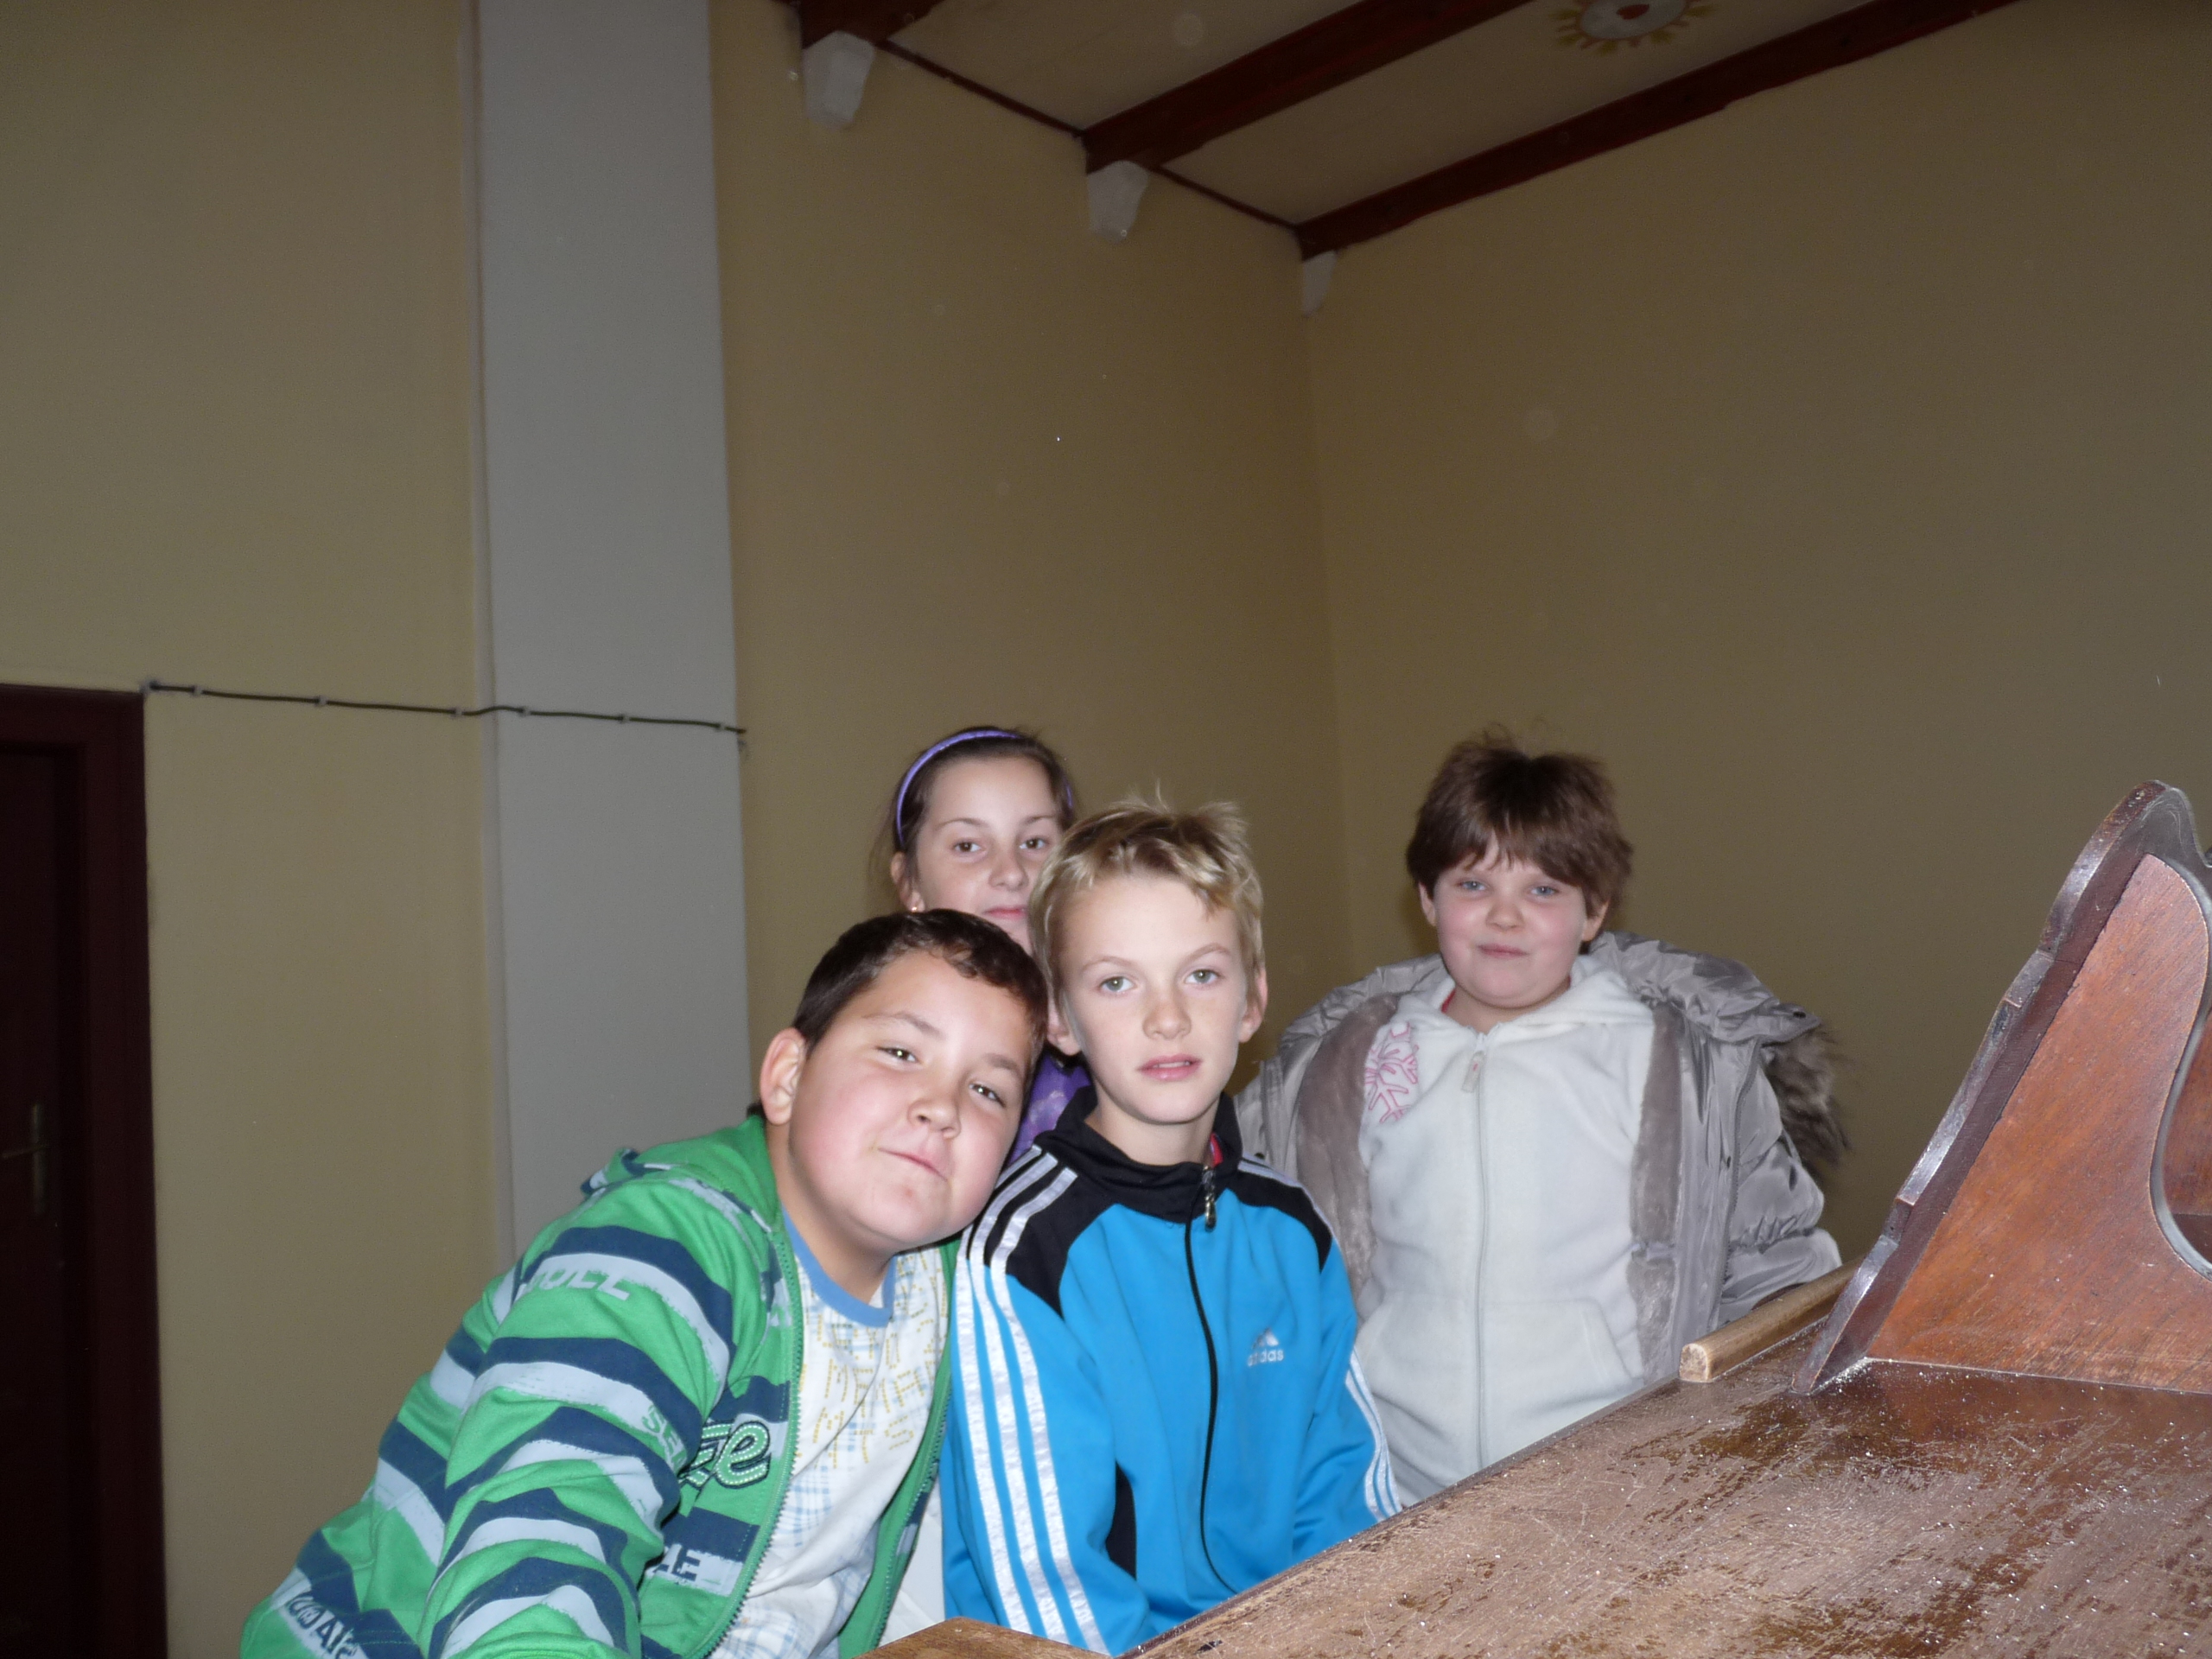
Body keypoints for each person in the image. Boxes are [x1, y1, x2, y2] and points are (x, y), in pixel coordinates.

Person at [242, 911, 1046, 1659]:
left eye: (989, 1090)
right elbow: (544, 1536)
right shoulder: (658, 1252)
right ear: (788, 1077)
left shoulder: (952, 1292)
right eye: (901, 1052)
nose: (942, 1107)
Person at [1236, 734, 1844, 1503]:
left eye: (1544, 890)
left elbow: (1775, 1272)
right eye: (1473, 883)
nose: (1505, 916)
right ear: (1426, 898)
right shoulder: (1348, 1062)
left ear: (1595, 911)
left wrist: (1751, 1447)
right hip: (1393, 1483)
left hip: (1611, 1481)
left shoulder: (1678, 1066)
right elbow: (1254, 1240)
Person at [940, 801, 1398, 1653]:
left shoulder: (1292, 1229)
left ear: (1254, 1000)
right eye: (1117, 983)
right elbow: (1044, 1585)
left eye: (1202, 975)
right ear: (1059, 1019)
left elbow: (1344, 1490)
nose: (1167, 1017)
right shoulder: (1024, 1252)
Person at [883, 725, 1086, 1160]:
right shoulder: (875, 1031)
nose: (1011, 872)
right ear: (909, 882)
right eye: (968, 846)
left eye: (1034, 843)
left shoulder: (1110, 1025)